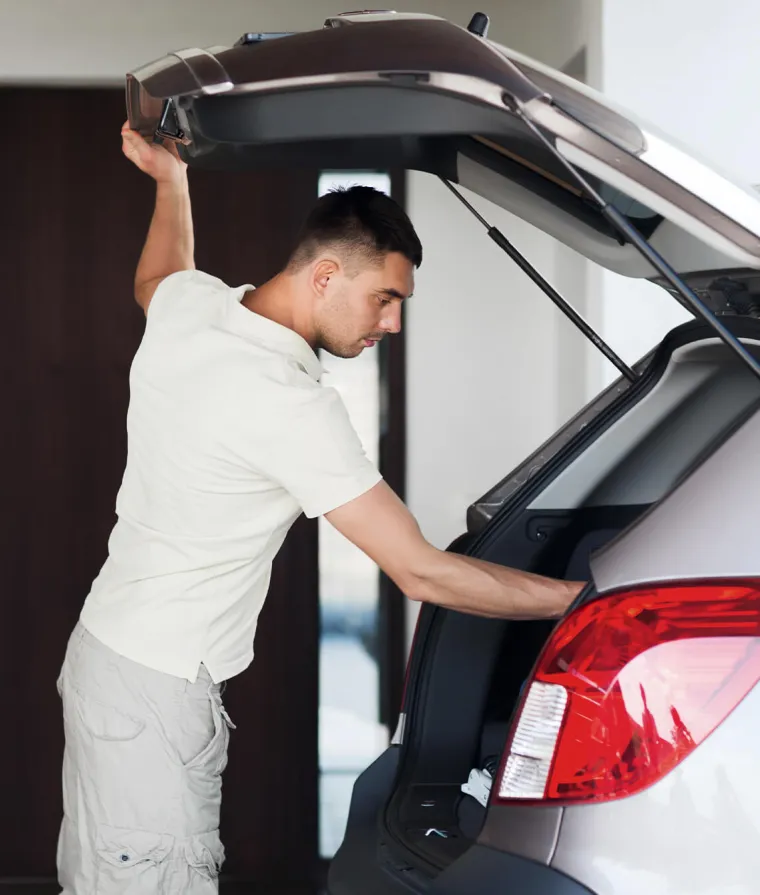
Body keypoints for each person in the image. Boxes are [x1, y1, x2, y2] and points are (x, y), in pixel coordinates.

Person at [55, 123, 584, 894]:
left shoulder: (196, 310)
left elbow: (158, 277)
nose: (392, 322)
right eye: (386, 297)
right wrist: (587, 601)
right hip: (156, 695)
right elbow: (421, 571)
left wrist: (173, 182)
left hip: (108, 655)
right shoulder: (290, 403)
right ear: (327, 275)